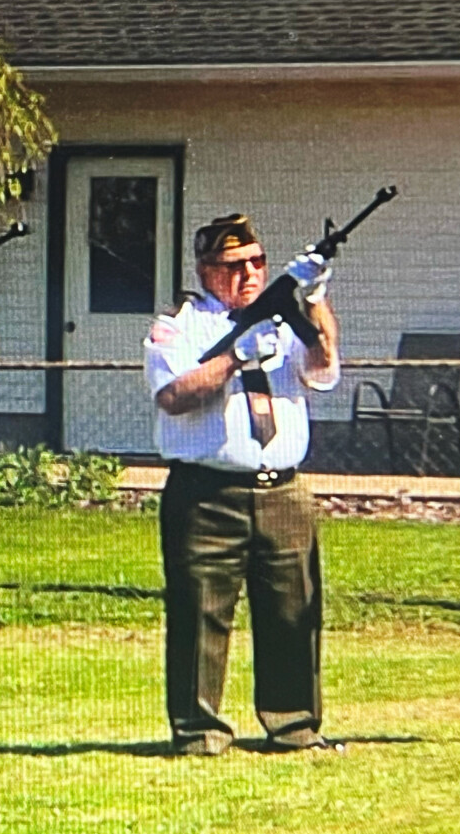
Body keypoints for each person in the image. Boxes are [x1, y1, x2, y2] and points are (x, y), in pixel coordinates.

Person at [143, 213, 340, 755]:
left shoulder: (285, 317)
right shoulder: (180, 325)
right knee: (200, 614)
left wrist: (315, 298)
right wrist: (235, 358)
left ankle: (295, 724)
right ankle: (199, 728)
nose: (248, 274)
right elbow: (173, 395)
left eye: (256, 262)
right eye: (233, 266)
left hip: (284, 491)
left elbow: (322, 366)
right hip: (208, 492)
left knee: (292, 610)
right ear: (207, 271)